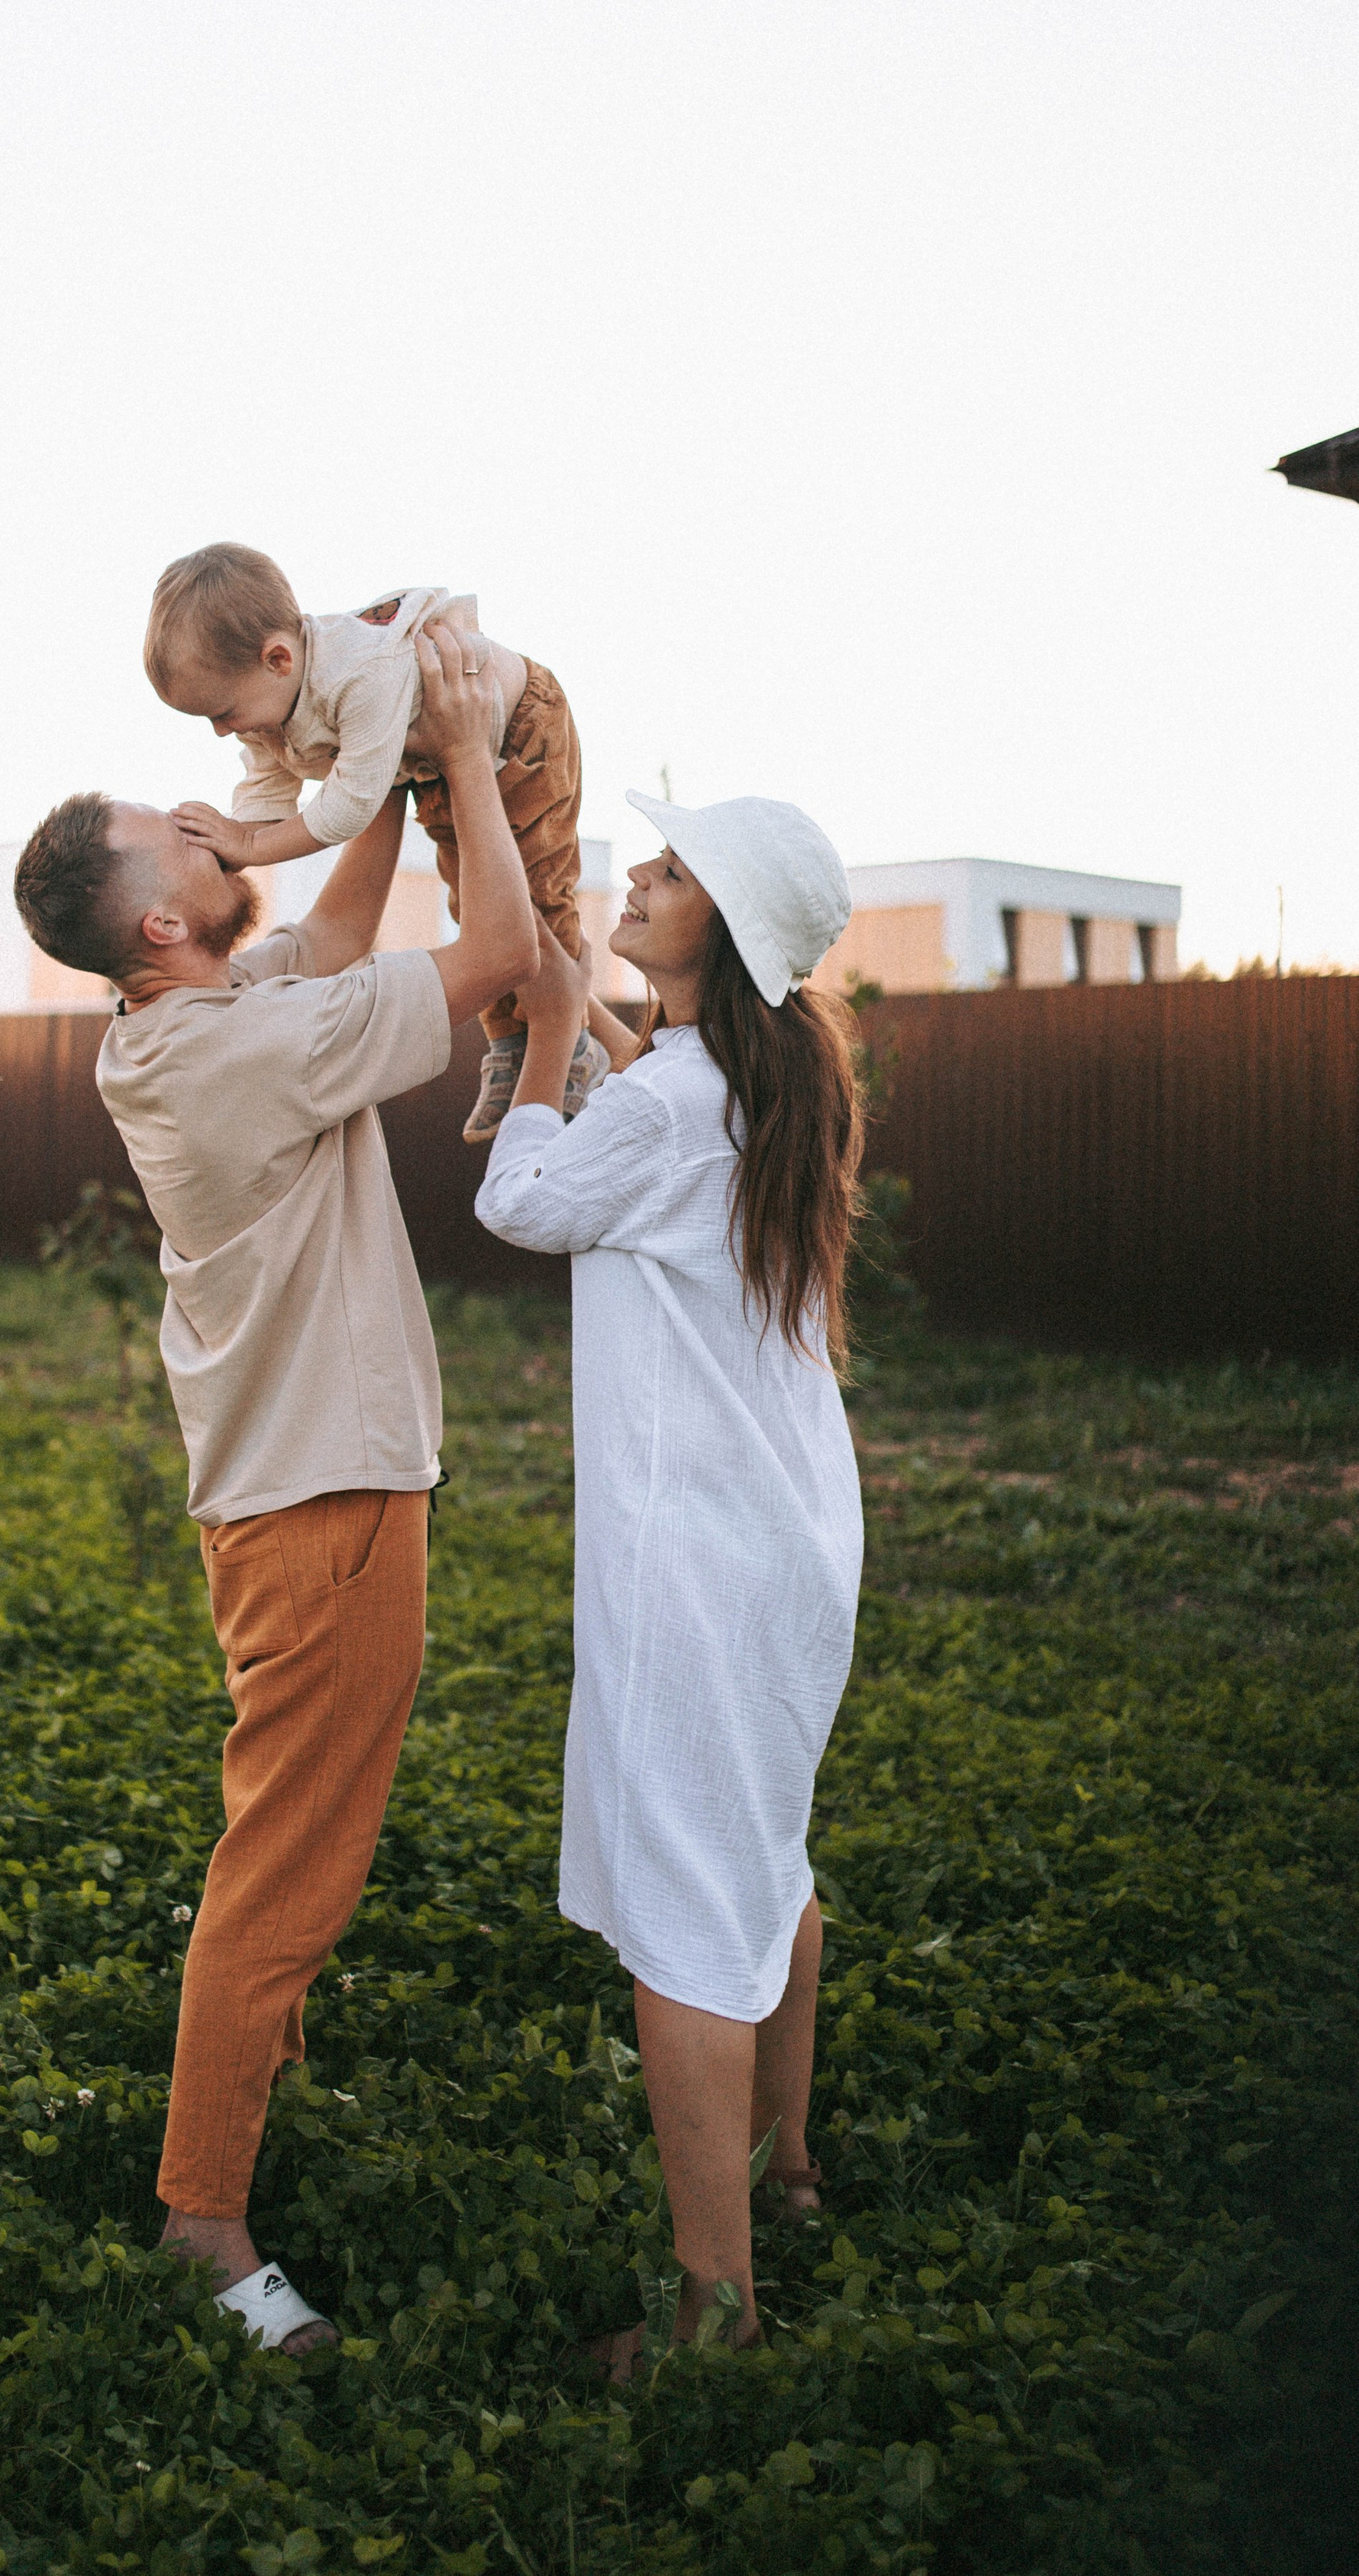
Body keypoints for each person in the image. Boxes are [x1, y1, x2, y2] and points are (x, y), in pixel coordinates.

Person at [11, 625, 536, 2359]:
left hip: (305, 1491)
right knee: (285, 1865)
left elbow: (338, 930)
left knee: (296, 1840)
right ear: (157, 919)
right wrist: (458, 745)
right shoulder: (231, 1052)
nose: (201, 815)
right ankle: (201, 2217)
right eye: (176, 834)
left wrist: (373, 761)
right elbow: (498, 953)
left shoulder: (205, 1014)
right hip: (322, 1508)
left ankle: (253, 2084)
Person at [474, 789, 864, 2369]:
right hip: (789, 1550)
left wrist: (550, 1021)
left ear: (725, 930)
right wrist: (594, 1025)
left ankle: (711, 2316)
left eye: (669, 870)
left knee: (683, 1927)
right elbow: (648, 1121)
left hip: (692, 1570)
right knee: (764, 1862)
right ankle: (783, 2176)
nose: (635, 874)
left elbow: (517, 1199)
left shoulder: (662, 1105)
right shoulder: (756, 1092)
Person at [143, 539, 607, 1141]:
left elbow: (350, 804)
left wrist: (251, 848)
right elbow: (263, 796)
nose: (220, 730)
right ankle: (519, 1044)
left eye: (223, 712)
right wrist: (225, 852)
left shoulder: (357, 679)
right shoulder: (267, 701)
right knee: (476, 906)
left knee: (536, 889)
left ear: (278, 658)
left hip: (517, 733)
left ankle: (562, 1048)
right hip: (441, 763)